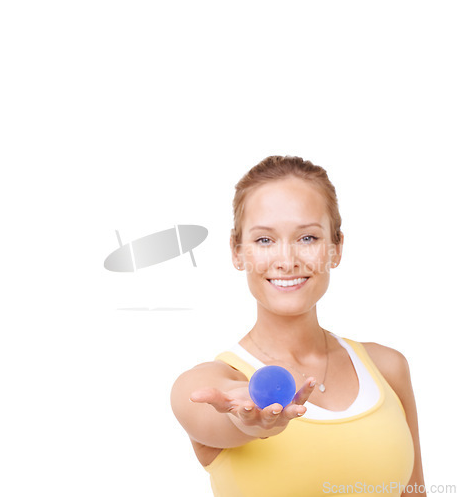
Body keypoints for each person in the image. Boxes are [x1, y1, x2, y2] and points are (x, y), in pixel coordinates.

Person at [170, 156, 425, 496]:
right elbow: (217, 414)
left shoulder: (388, 367)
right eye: (264, 240)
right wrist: (248, 421)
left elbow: (414, 492)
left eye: (307, 238)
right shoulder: (211, 383)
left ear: (335, 248)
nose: (287, 261)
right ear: (237, 251)